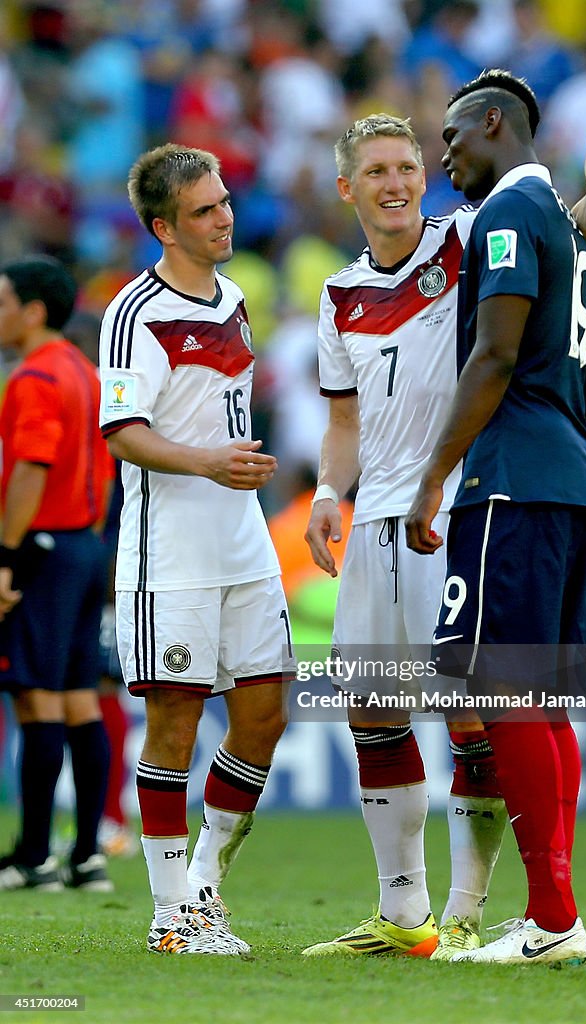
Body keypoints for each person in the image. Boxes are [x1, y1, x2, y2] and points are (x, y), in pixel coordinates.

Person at [304, 112, 586, 959]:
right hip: (376, 519)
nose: (400, 180)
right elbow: (343, 420)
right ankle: (404, 917)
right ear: (349, 188)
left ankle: (475, 908)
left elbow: (554, 240)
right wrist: (331, 490)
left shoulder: (466, 235)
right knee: (372, 710)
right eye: (377, 170)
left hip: (458, 503)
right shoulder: (336, 296)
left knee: (479, 709)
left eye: (409, 164)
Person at [406, 70, 586, 966]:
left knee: (500, 692)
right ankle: (556, 911)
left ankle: (552, 921)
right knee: (543, 703)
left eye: (451, 136)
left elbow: (492, 355)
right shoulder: (569, 234)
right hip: (570, 479)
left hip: (510, 486)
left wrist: (432, 478)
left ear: (494, 123)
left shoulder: (505, 217)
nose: (442, 154)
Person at [98, 144, 292, 955]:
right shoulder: (133, 312)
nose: (224, 219)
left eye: (224, 202)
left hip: (243, 542)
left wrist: (236, 461)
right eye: (205, 211)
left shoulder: (238, 297)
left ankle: (205, 883)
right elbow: (122, 433)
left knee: (265, 714)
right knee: (174, 725)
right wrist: (211, 461)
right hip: (168, 547)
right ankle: (169, 915)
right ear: (163, 227)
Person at [0, 255, 113, 893]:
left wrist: (7, 556)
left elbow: (30, 468)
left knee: (34, 697)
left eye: (3, 302)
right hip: (85, 548)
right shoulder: (86, 374)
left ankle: (34, 856)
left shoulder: (33, 377)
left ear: (34, 311)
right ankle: (86, 856)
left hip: (41, 549)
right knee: (78, 700)